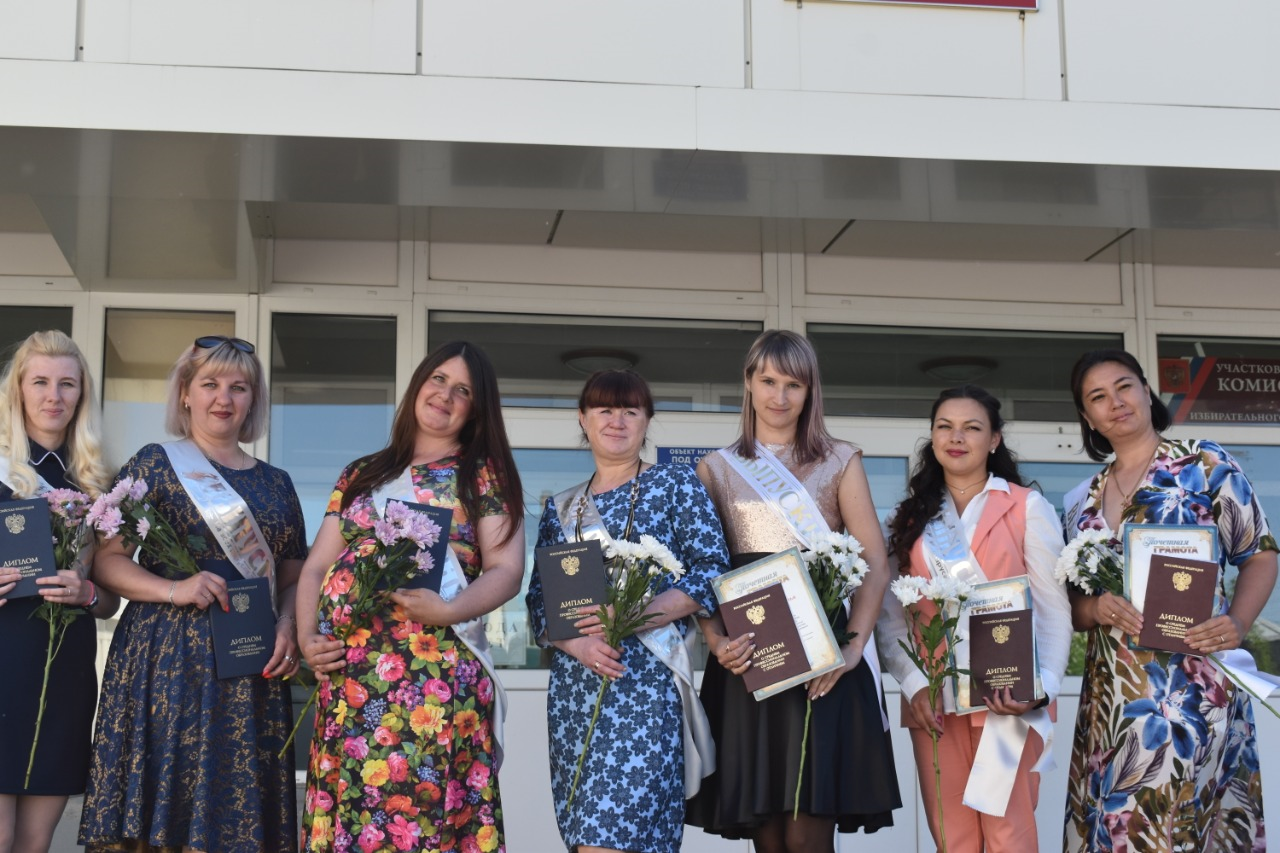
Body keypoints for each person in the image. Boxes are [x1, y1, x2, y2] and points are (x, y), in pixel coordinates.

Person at [80, 335, 306, 853]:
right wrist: (172, 587)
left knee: (235, 816)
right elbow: (107, 561)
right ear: (185, 393)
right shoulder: (155, 464)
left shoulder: (278, 484)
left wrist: (288, 624)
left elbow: (294, 577)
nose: (223, 398)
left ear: (253, 399)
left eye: (238, 387)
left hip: (250, 669)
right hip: (166, 662)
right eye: (209, 384)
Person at [297, 341, 524, 853]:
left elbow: (507, 570)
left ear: (476, 410)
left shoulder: (483, 473)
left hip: (434, 685)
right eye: (438, 379)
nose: (445, 395)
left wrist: (449, 609)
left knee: (423, 824)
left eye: (463, 390)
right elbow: (314, 568)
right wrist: (309, 637)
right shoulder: (361, 474)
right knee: (354, 821)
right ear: (419, 383)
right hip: (351, 684)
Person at [685, 329, 900, 853]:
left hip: (823, 664)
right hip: (748, 663)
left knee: (809, 834)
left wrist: (853, 648)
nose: (779, 396)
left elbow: (874, 563)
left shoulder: (840, 459)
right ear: (749, 383)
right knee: (769, 837)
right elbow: (700, 572)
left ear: (811, 391)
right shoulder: (715, 468)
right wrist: (714, 641)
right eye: (768, 381)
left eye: (794, 385)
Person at [1061, 349, 1277, 852]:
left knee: (1178, 828)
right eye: (1098, 397)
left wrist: (1239, 622)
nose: (1116, 402)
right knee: (1115, 830)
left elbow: (1260, 556)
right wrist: (1094, 608)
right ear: (1087, 417)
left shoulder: (1205, 463)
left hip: (1193, 688)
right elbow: (1072, 607)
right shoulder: (1080, 500)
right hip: (1111, 700)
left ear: (1145, 390)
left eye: (1124, 386)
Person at [526, 369, 729, 853]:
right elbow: (539, 600)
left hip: (646, 687)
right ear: (583, 418)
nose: (616, 421)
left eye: (630, 411)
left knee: (615, 838)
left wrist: (638, 614)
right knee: (587, 837)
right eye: (604, 409)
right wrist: (576, 643)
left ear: (646, 421)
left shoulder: (675, 484)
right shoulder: (562, 508)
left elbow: (712, 569)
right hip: (577, 694)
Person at [878, 385, 1072, 852]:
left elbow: (1053, 611)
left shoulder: (1026, 507)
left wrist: (1040, 687)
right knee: (953, 838)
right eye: (945, 427)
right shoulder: (908, 520)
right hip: (934, 703)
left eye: (972, 427)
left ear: (994, 439)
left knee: (1009, 836)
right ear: (932, 437)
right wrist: (914, 685)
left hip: (1006, 698)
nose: (956, 437)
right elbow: (890, 618)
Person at [0, 330, 117, 853]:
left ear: (81, 394)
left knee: (34, 843)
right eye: (40, 382)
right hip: (3, 663)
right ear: (18, 390)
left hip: (63, 669)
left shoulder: (97, 481)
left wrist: (86, 593)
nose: (54, 396)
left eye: (67, 384)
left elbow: (109, 600)